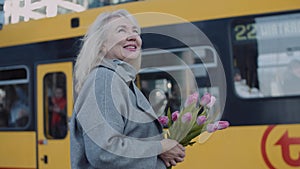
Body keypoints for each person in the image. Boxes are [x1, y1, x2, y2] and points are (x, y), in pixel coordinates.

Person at [70, 9, 185, 169]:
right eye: (121, 30)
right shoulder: (104, 79)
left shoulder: (121, 80)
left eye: (135, 31)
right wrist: (159, 148)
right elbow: (103, 151)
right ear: (102, 45)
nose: (132, 36)